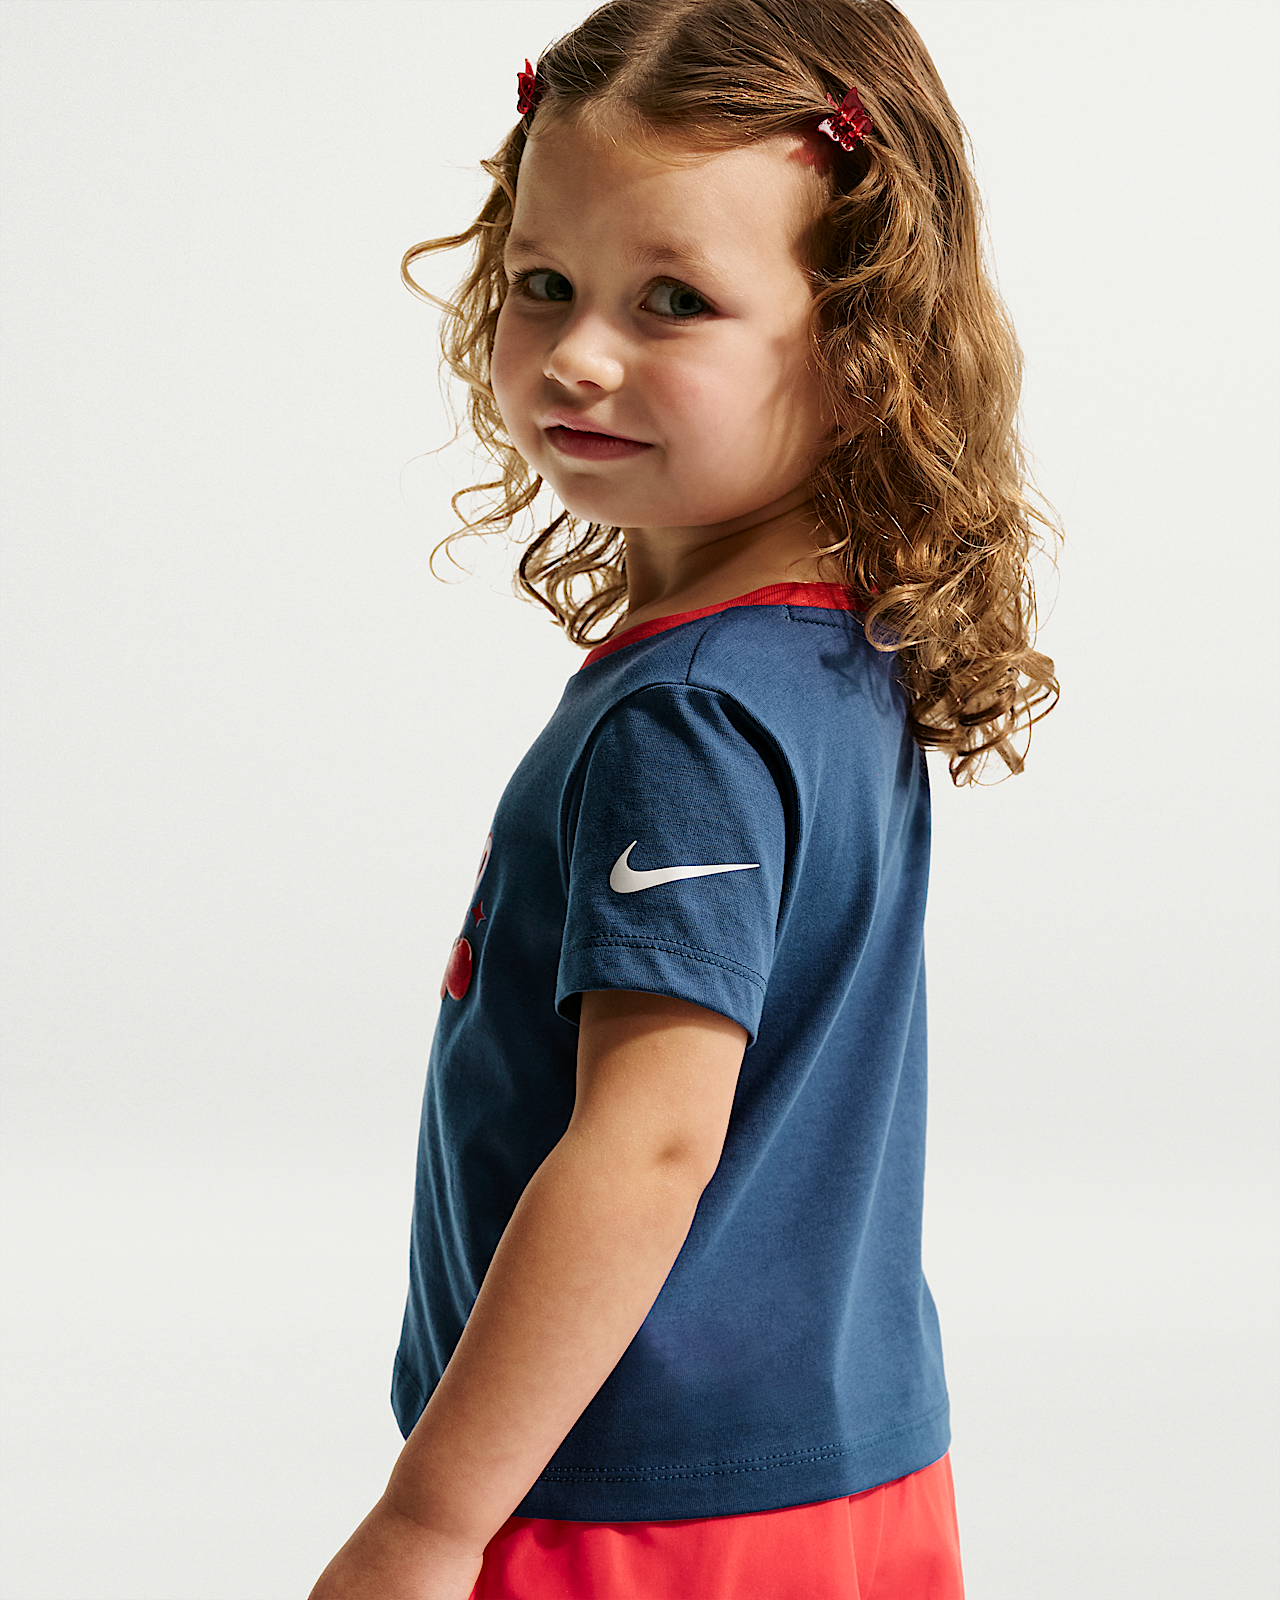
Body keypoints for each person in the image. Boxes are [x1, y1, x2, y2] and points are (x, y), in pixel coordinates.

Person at [311, 1, 1057, 1594]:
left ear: (859, 355)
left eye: (674, 301)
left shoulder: (694, 716)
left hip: (638, 1505)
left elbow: (648, 1146)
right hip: (847, 1459)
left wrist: (429, 1520)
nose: (581, 351)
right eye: (544, 283)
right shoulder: (829, 651)